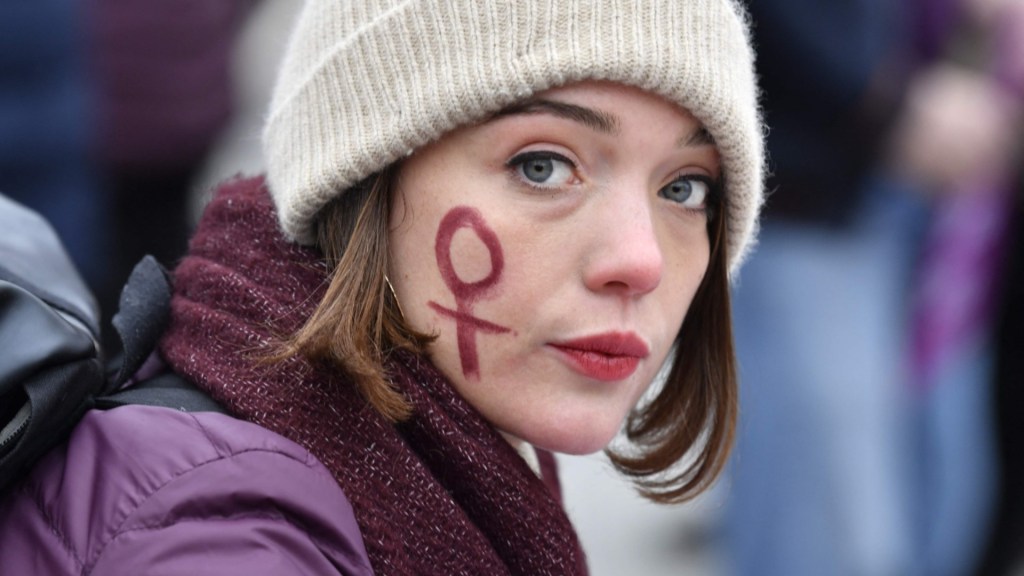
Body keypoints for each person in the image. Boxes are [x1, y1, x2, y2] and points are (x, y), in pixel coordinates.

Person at [0, 0, 764, 574]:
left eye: (686, 188)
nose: (641, 260)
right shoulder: (221, 528)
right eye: (542, 164)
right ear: (363, 180)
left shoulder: (458, 462)